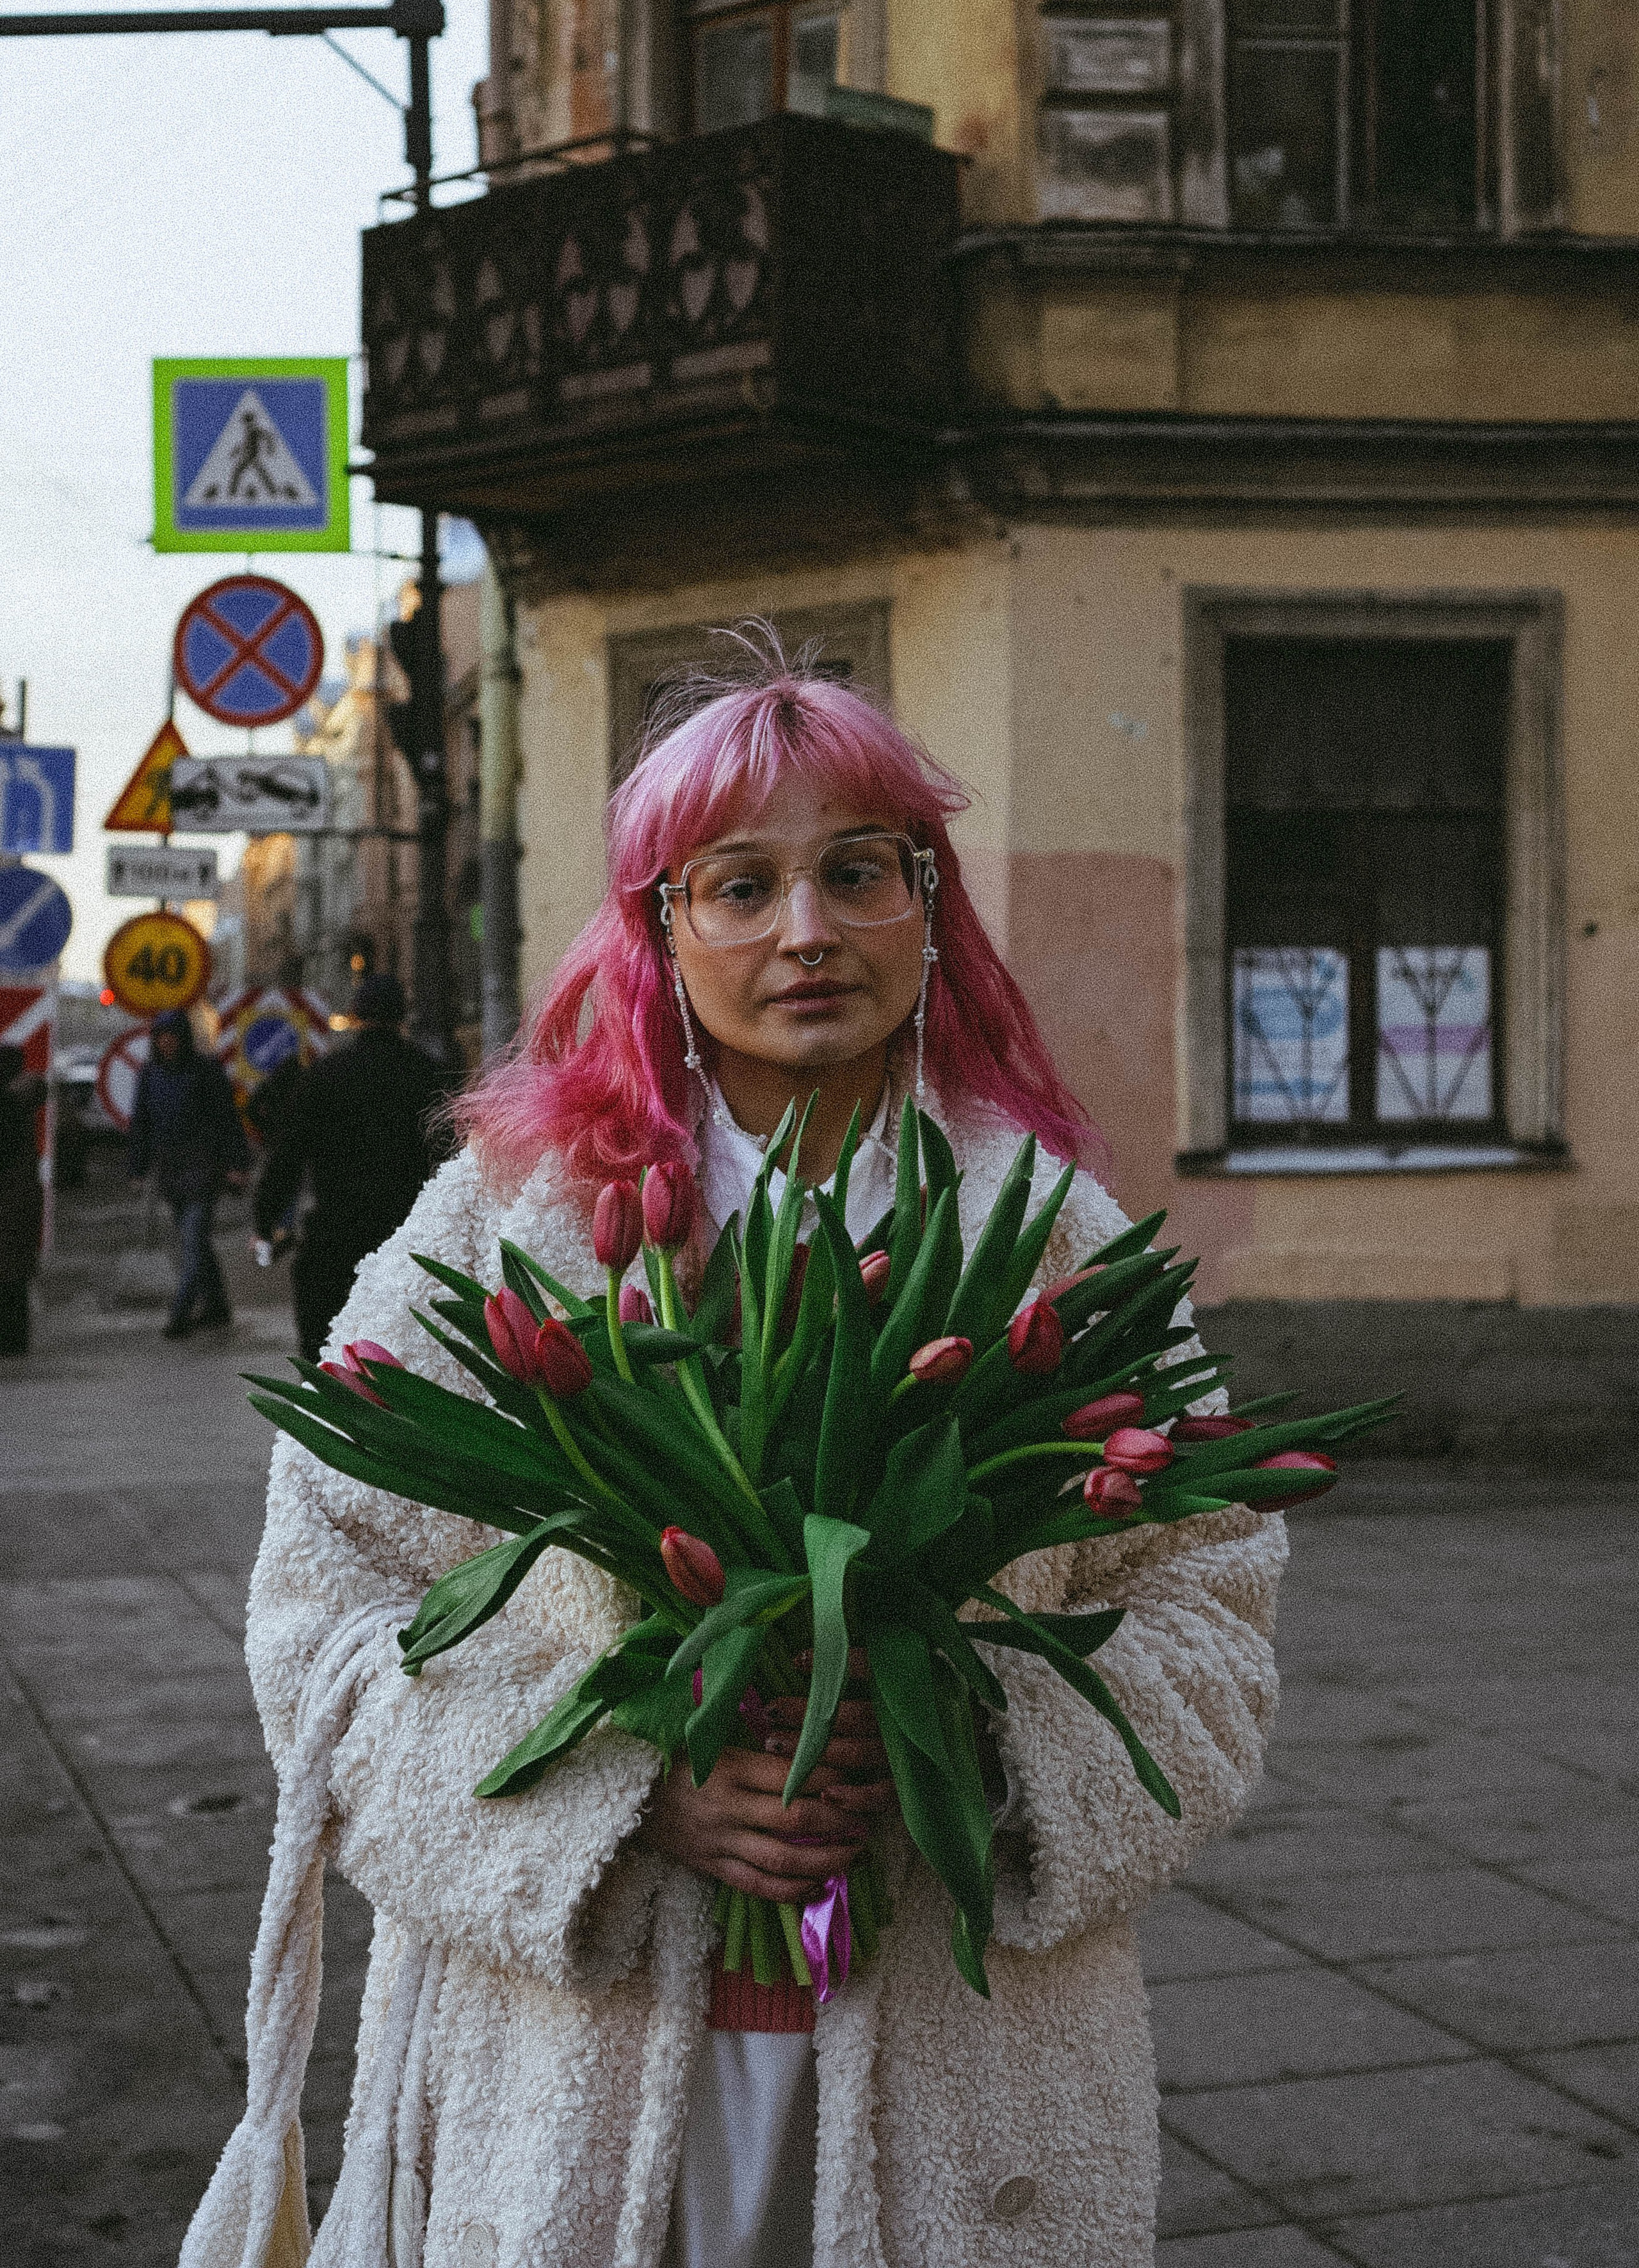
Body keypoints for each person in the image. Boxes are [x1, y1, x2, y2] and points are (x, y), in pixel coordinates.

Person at [188, 633, 1286, 2268]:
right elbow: (320, 1621)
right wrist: (626, 1796)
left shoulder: (1044, 1232)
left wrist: (957, 1744)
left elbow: (1207, 1601)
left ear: (928, 904)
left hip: (960, 2060)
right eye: (738, 883)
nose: (806, 930)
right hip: (582, 2052)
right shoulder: (512, 1224)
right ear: (656, 923)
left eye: (860, 871)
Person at [251, 972, 446, 1362]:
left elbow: (289, 1155)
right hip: (406, 1231)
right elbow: (451, 1152)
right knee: (406, 1352)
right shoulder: (427, 1073)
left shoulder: (326, 1075)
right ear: (401, 1014)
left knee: (326, 1351)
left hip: (336, 1232)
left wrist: (265, 1220)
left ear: (356, 1015)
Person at [127, 1008, 250, 1340]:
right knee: (196, 1240)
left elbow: (226, 1119)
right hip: (170, 1172)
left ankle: (181, 1313)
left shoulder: (206, 1071)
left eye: (173, 1037)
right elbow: (142, 1123)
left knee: (193, 1242)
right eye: (161, 1038)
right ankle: (218, 1307)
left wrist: (237, 1163)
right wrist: (137, 1167)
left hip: (202, 1169)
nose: (167, 1044)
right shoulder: (150, 1074)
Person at [0, 1044, 46, 1356]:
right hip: (22, 1199)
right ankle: (15, 1341)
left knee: (9, 1275)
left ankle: (12, 1341)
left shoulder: (9, 1103)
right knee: (13, 1276)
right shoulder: (20, 1100)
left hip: (10, 1200)